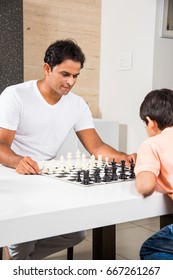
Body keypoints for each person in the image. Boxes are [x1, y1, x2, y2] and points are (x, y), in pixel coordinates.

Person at [0, 39, 136, 260]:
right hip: (12, 174)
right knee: (23, 238)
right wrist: (17, 161)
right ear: (47, 68)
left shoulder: (77, 104)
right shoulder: (15, 96)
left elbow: (97, 146)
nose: (71, 82)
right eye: (65, 74)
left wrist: (124, 158)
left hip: (47, 176)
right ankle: (19, 256)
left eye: (75, 76)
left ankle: (20, 262)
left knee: (75, 232)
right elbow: (1, 144)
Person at [135, 88, 173, 260]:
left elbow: (145, 187)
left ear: (151, 122)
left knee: (150, 249)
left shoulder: (152, 144)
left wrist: (145, 173)